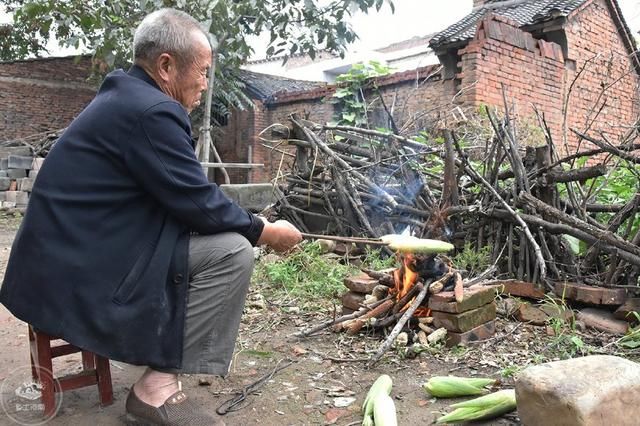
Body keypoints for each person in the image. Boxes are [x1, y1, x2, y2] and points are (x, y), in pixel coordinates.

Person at [0, 8, 301, 425]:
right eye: (204, 71)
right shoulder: (151, 111)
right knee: (232, 252)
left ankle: (157, 358)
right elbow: (195, 200)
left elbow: (179, 196)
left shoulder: (126, 98)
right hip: (76, 269)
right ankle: (154, 389)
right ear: (166, 65)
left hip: (58, 260)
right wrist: (264, 231)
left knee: (205, 242)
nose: (205, 83)